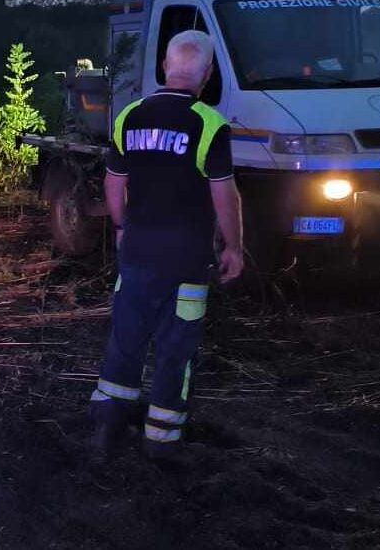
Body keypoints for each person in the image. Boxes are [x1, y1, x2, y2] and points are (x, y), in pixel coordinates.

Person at [90, 30, 244, 463]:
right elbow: (224, 193)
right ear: (208, 74)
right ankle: (160, 441)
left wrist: (121, 226)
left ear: (164, 66)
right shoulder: (210, 125)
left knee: (126, 340)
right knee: (175, 348)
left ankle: (106, 426)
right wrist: (234, 246)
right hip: (188, 259)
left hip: (136, 252)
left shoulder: (130, 116)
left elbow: (113, 183)